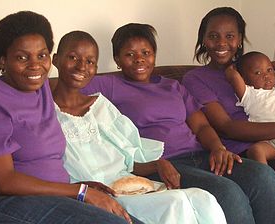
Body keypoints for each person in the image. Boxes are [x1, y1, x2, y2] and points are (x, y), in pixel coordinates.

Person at [81, 22, 275, 223]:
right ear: (117, 59)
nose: (139, 60)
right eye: (130, 54)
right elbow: (61, 86)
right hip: (162, 164)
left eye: (146, 52)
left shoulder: (172, 86)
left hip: (201, 155)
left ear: (154, 54)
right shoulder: (109, 85)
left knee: (264, 177)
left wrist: (218, 148)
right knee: (228, 194)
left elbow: (201, 126)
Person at [52, 30, 226, 224]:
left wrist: (158, 163)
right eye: (73, 57)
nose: (82, 66)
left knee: (203, 199)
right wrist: (78, 188)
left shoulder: (100, 106)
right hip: (91, 192)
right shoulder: (46, 114)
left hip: (125, 184)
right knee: (177, 203)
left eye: (90, 61)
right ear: (55, 60)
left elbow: (128, 157)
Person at [0, 11, 143, 224]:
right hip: (12, 201)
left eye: (42, 55)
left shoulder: (41, 87)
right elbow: (4, 181)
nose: (35, 65)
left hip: (58, 195)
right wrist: (80, 191)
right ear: (2, 61)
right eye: (22, 57)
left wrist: (79, 186)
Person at [182, 6, 275, 219]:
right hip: (242, 152)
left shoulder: (254, 68)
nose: (222, 43)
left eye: (229, 36)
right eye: (213, 36)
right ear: (204, 40)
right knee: (264, 179)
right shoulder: (195, 78)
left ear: (239, 39)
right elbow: (226, 127)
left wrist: (266, 64)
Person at [225, 51, 275, 164]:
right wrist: (231, 69)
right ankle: (268, 179)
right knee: (255, 151)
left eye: (269, 70)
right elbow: (233, 76)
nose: (266, 75)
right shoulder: (248, 94)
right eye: (257, 72)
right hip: (271, 142)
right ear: (244, 79)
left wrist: (267, 64)